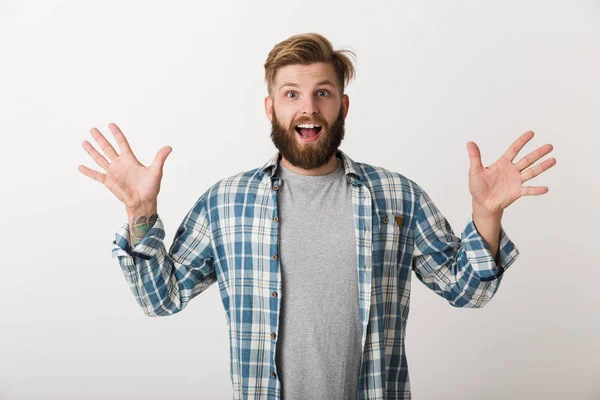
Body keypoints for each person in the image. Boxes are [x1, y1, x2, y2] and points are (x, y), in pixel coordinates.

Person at [78, 33, 556, 400]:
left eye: (322, 93)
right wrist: (140, 213)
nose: (308, 108)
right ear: (270, 108)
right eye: (291, 94)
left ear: (342, 105)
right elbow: (162, 299)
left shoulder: (396, 196)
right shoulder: (227, 202)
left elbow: (468, 290)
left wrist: (485, 214)